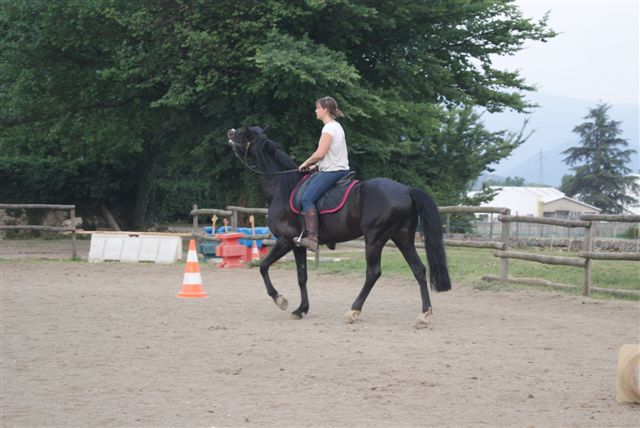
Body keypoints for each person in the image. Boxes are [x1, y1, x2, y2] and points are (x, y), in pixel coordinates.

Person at [296, 96, 350, 252]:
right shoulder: (337, 126)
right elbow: (329, 155)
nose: (315, 110)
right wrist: (315, 166)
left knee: (307, 198)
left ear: (325, 110)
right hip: (340, 169)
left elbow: (320, 154)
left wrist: (305, 163)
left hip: (333, 171)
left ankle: (312, 238)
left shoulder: (328, 128)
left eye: (318, 108)